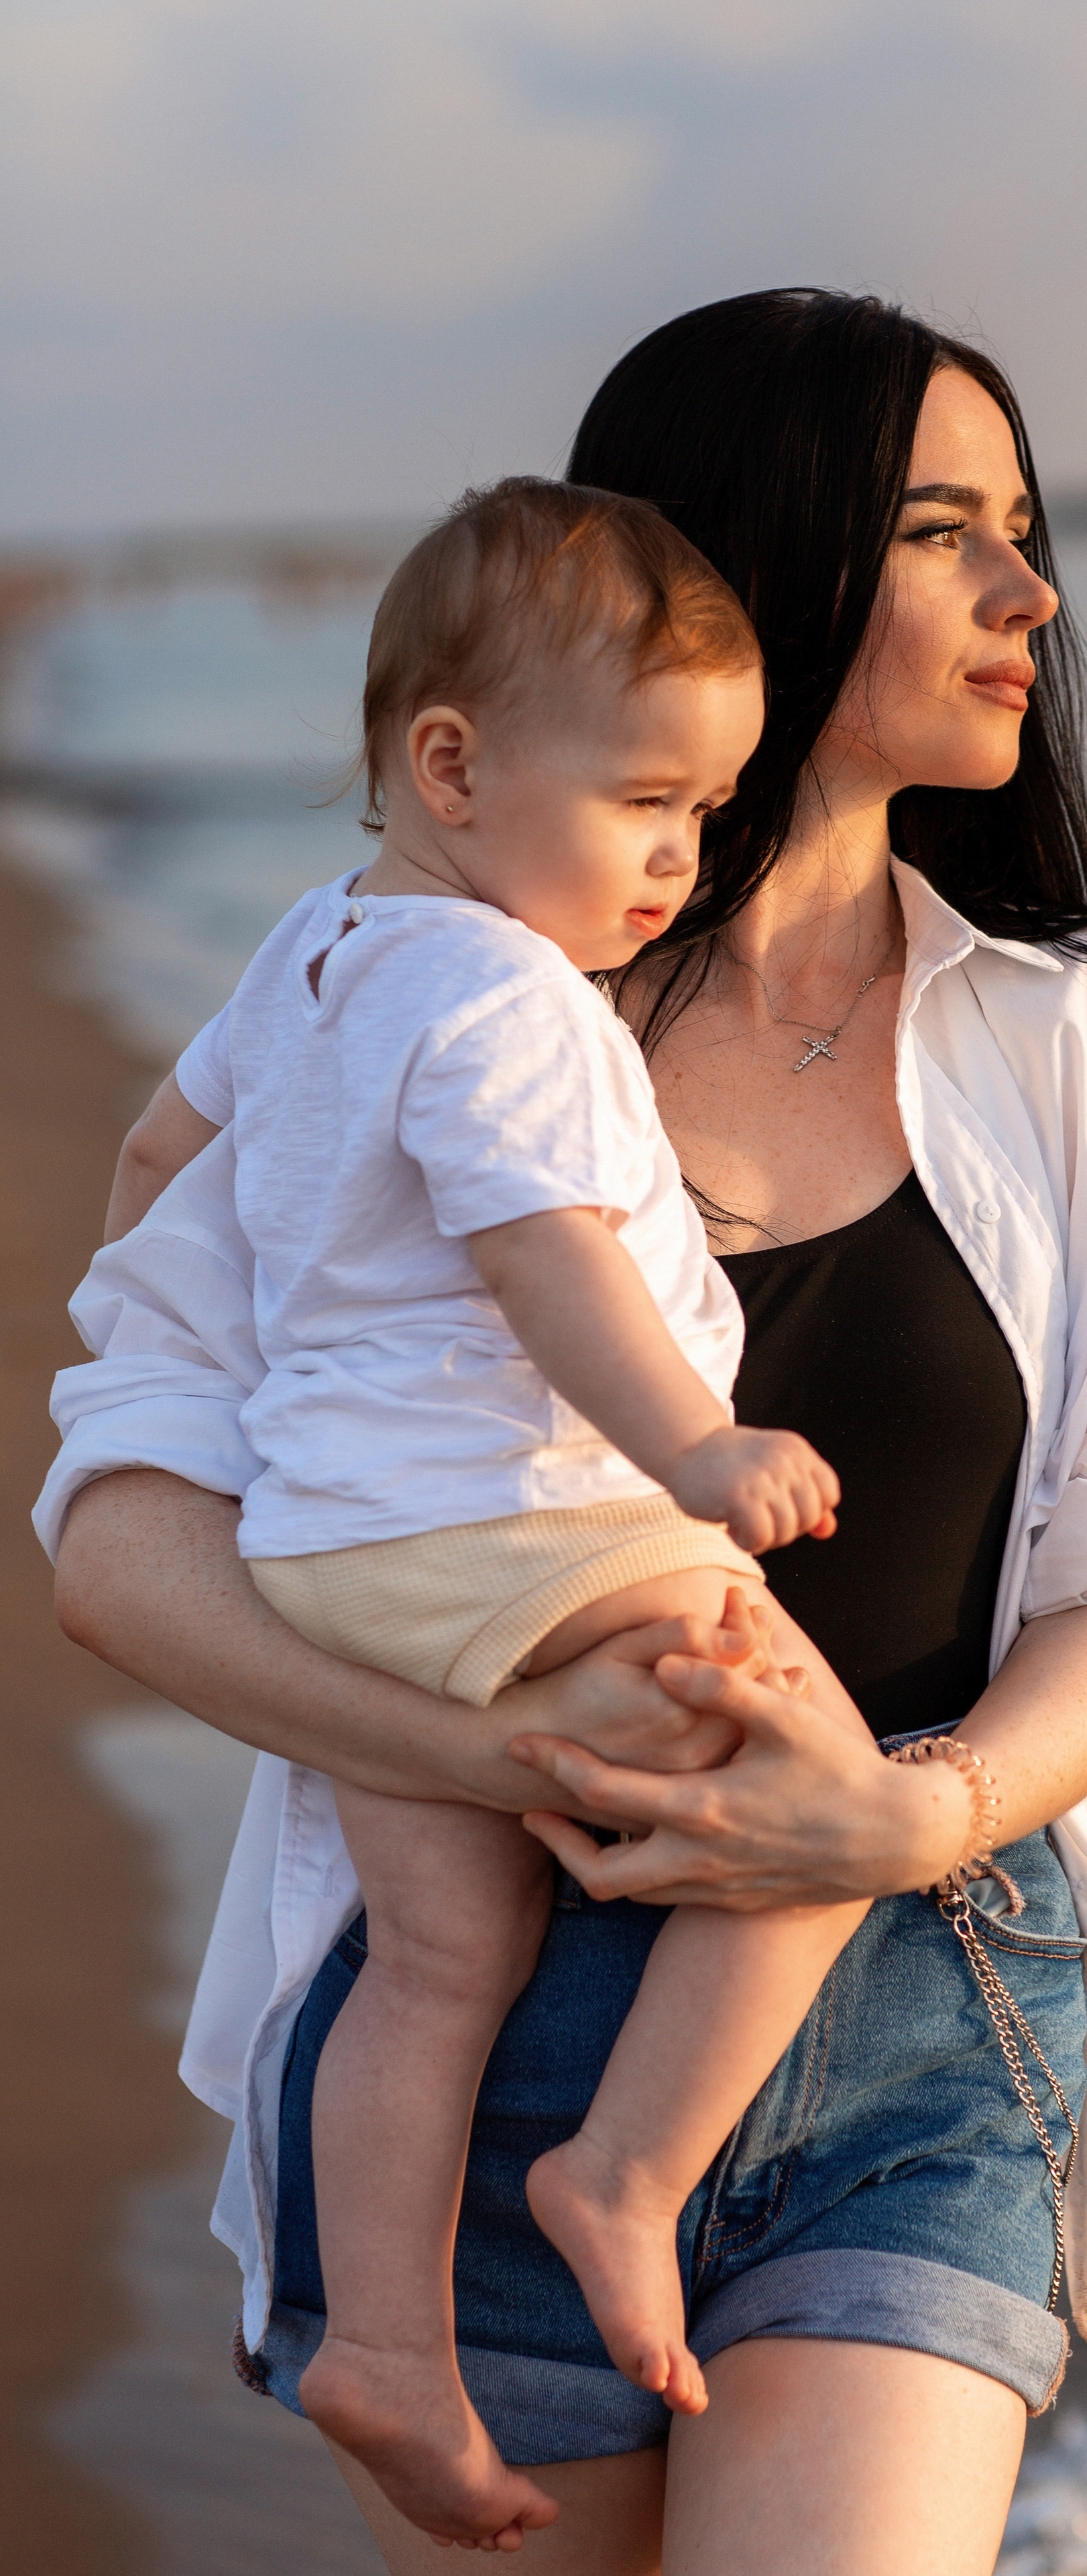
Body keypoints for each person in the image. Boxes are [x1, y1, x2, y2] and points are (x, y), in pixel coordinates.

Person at [41, 289, 1087, 2576]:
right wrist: (520, 1771)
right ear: (740, 561)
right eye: (944, 531)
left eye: (1030, 529)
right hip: (467, 2011)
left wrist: (911, 1820)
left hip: (920, 1985)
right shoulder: (428, 997)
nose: (1033, 596)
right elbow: (115, 1532)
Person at [109, 476, 907, 2547]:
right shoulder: (506, 1002)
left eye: (713, 811)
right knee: (824, 1795)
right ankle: (624, 2174)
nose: (682, 856)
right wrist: (698, 1461)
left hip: (331, 1547)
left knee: (439, 1953)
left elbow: (149, 1161)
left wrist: (265, 1364)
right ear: (451, 767)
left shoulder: (313, 952)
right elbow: (554, 1259)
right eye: (647, 799)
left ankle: (383, 2336)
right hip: (523, 1523)